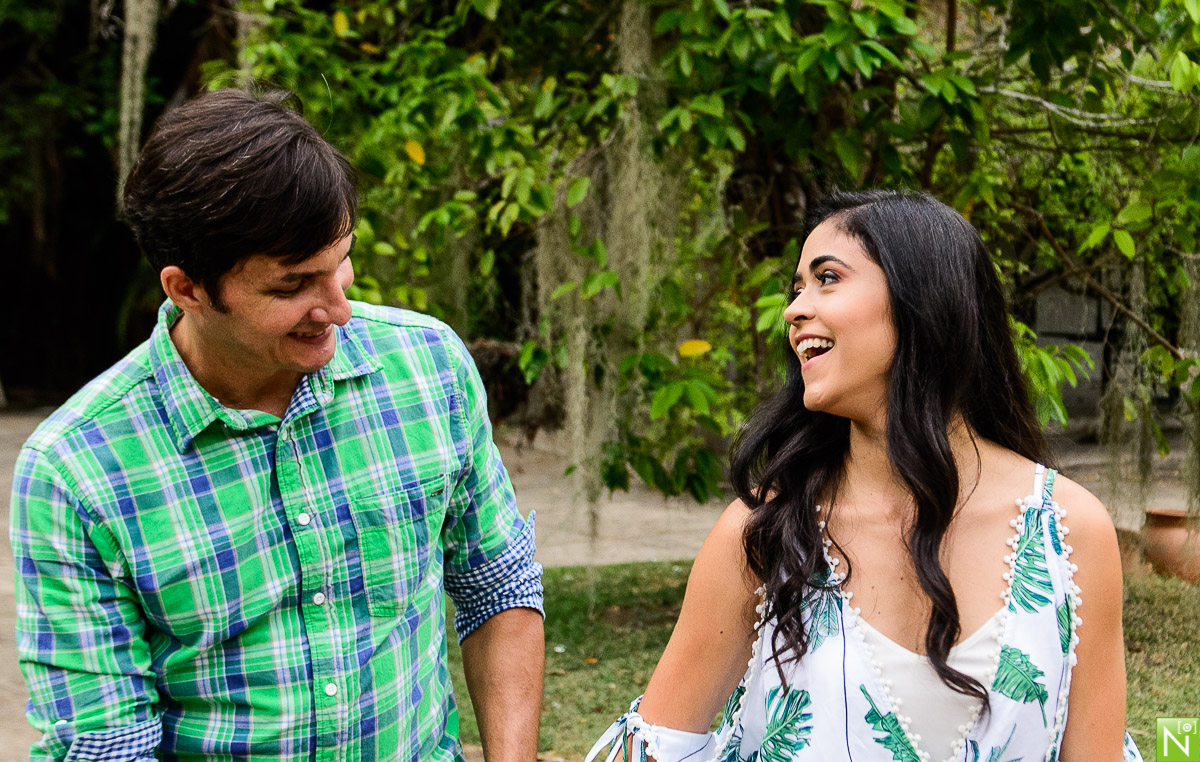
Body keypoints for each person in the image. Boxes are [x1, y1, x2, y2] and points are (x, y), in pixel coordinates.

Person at [10, 88, 545, 761]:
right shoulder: (76, 470)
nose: (339, 310)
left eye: (340, 263)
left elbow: (498, 584)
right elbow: (109, 744)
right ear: (188, 290)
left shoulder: (429, 365)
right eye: (292, 286)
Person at [587, 190, 1143, 762]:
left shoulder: (1068, 532)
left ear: (924, 298)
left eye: (828, 278)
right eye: (797, 287)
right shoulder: (766, 532)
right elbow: (656, 747)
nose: (794, 309)